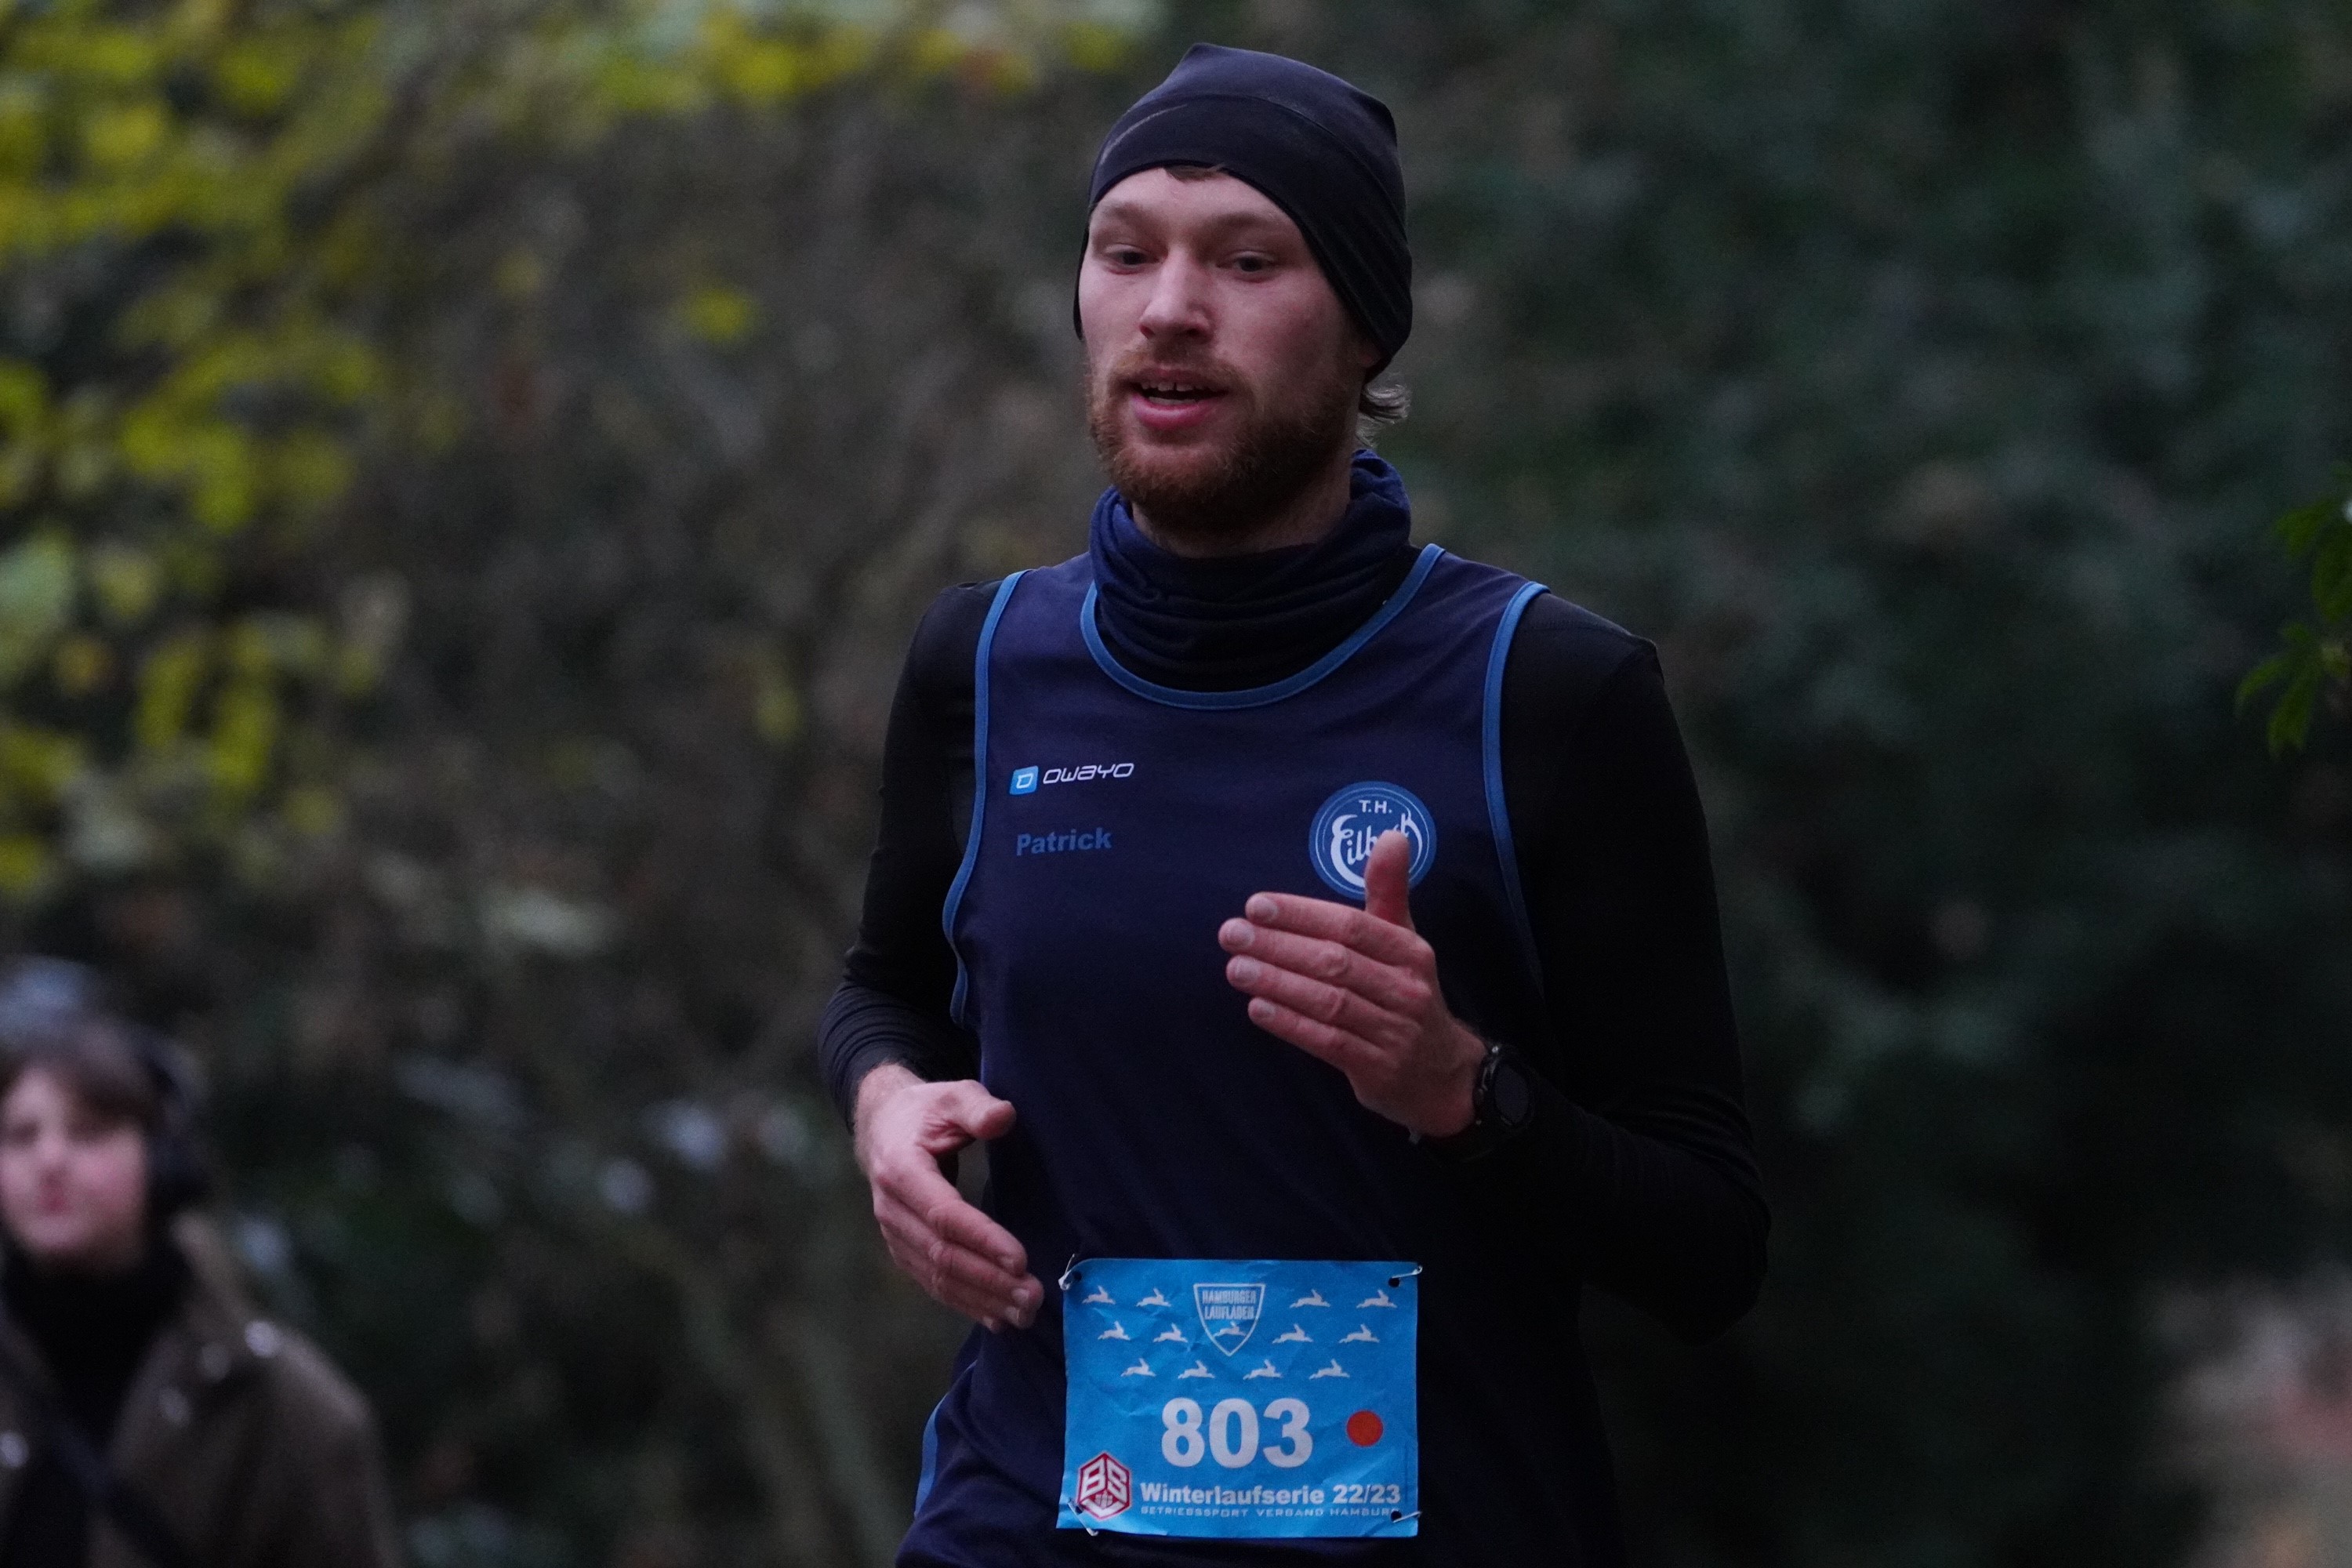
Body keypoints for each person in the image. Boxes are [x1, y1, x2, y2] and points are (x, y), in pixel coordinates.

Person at [819, 43, 1768, 1566]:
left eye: (1248, 260)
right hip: (1027, 1520)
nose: (1170, 307)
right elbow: (886, 991)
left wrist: (1469, 1094)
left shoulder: (1553, 694)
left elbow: (1712, 1247)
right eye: (1124, 252)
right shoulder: (982, 665)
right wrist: (885, 1110)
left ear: (1365, 333)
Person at [0, 957, 401, 1568]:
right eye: (21, 1136)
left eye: (88, 1132)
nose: (49, 1161)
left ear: (164, 1161)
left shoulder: (278, 1406)